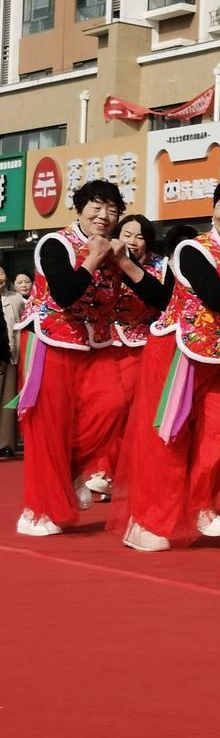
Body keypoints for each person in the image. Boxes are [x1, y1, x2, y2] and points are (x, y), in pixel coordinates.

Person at [111, 180, 220, 553]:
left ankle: (200, 504)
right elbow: (218, 299)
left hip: (219, 355)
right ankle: (148, 522)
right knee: (169, 437)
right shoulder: (192, 249)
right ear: (213, 209)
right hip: (178, 354)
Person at [13, 181, 127, 536]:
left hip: (94, 344)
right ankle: (36, 511)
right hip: (51, 341)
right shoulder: (55, 243)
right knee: (50, 426)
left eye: (111, 210)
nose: (103, 216)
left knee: (114, 402)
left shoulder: (116, 251)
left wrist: (120, 259)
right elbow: (63, 294)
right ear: (80, 209)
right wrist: (93, 256)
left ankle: (71, 470)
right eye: (96, 206)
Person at [82, 215, 170, 499]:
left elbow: (163, 300)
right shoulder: (102, 261)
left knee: (130, 412)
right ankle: (102, 470)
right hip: (106, 343)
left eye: (139, 236)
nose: (132, 241)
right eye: (127, 234)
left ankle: (114, 473)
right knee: (107, 408)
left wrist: (128, 266)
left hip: (141, 346)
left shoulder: (161, 265)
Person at [0, 265, 23, 459]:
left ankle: (6, 444)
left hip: (11, 354)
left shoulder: (16, 299)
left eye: (0, 272)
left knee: (8, 400)